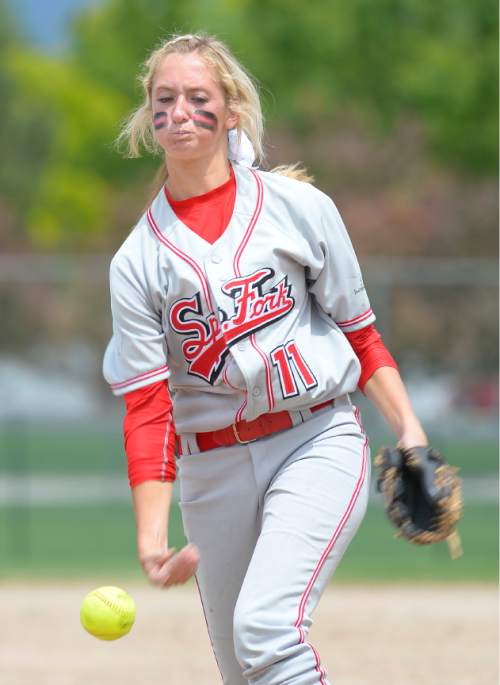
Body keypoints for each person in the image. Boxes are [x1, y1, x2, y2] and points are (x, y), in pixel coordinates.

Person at [103, 32, 429, 685]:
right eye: (164, 98)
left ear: (230, 112)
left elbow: (360, 333)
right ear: (148, 116)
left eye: (199, 97)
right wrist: (149, 538)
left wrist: (410, 431)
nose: (180, 111)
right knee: (244, 669)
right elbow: (147, 409)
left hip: (314, 439)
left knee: (267, 630)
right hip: (211, 468)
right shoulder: (138, 261)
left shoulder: (298, 209)